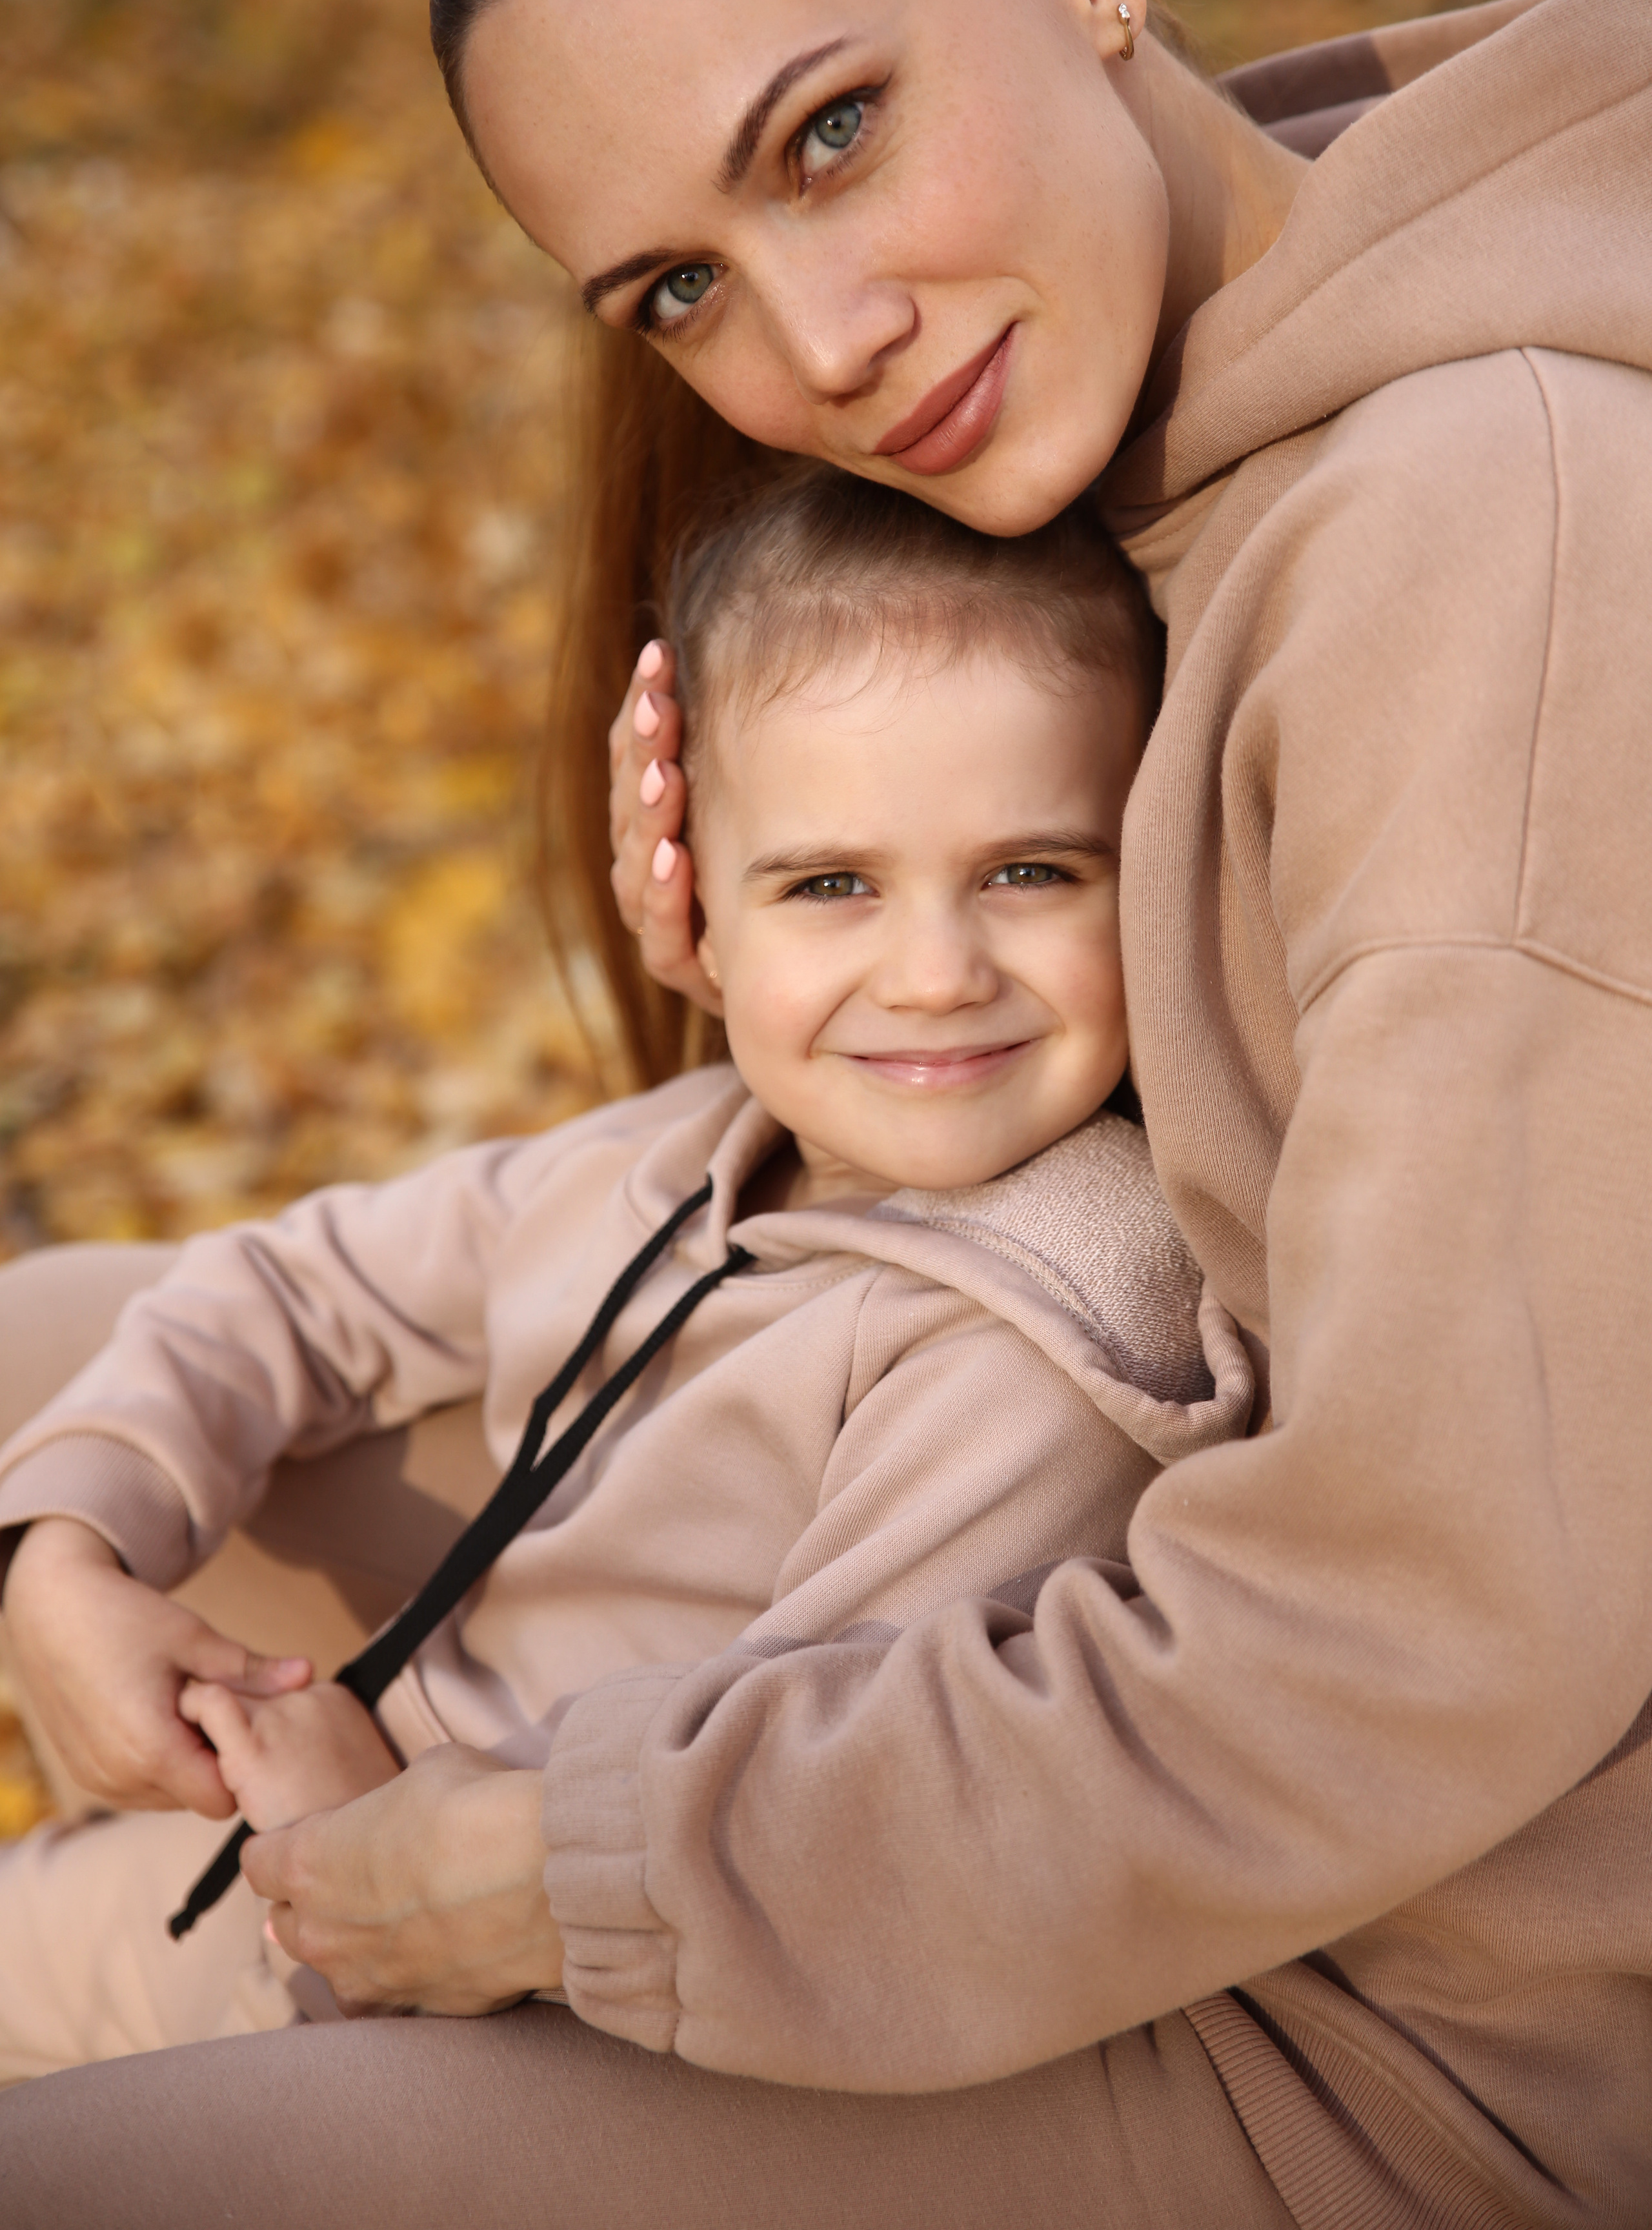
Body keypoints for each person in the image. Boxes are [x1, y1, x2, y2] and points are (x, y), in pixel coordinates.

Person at [0, 0, 1647, 2222]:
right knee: (45, 1380)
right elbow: (1130, 1154)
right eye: (678, 292)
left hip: (1376, 2033)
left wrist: (551, 1869)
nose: (826, 343)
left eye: (833, 135)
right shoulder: (1137, 399)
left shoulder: (1483, 536)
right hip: (1061, 1714)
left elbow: (1419, 1638)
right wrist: (768, 991)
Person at [0, 477, 1251, 2060]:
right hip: (335, 1803)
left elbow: (791, 1829)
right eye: (828, 884)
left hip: (484, 1993)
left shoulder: (1023, 1361)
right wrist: (68, 1550)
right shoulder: (692, 1146)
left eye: (1029, 872)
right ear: (693, 905)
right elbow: (301, 1289)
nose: (934, 975)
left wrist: (370, 1846)